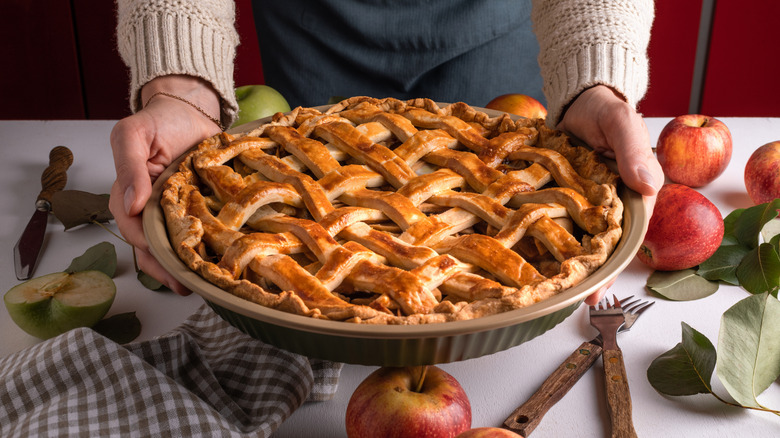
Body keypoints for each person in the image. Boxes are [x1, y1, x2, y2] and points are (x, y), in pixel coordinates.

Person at [110, 0, 663, 305]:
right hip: (313, 48)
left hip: (494, 84)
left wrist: (594, 81)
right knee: (298, 208)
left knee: (508, 194)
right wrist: (180, 87)